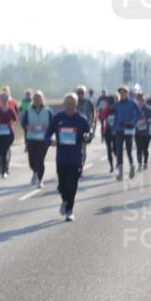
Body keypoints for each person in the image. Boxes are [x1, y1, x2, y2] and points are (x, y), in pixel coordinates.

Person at [46, 93, 92, 222]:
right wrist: (51, 141)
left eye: (72, 104)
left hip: (76, 158)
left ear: (76, 105)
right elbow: (47, 135)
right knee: (62, 186)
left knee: (72, 185)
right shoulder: (57, 118)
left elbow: (89, 133)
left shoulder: (81, 119)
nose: (70, 106)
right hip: (61, 158)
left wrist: (88, 137)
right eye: (67, 104)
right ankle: (65, 200)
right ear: (64, 105)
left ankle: (70, 210)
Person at [21, 90, 53, 188]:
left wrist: (48, 129)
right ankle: (35, 171)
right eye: (35, 99)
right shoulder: (28, 111)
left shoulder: (48, 111)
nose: (37, 100)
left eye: (39, 98)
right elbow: (23, 123)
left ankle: (40, 179)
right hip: (32, 138)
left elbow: (53, 124)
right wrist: (27, 127)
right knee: (32, 161)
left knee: (40, 159)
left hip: (44, 139)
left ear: (42, 99)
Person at [111, 86, 142, 180]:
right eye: (120, 93)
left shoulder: (132, 103)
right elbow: (115, 117)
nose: (122, 94)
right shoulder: (117, 104)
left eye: (124, 92)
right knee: (119, 151)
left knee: (128, 150)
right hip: (119, 129)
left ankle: (132, 166)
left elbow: (139, 115)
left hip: (129, 129)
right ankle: (120, 173)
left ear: (127, 93)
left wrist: (133, 122)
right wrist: (114, 128)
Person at [0, 91, 18, 177]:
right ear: (0, 100)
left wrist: (12, 122)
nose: (4, 100)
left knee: (4, 151)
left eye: (6, 99)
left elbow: (15, 120)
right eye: (3, 99)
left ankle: (4, 171)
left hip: (8, 134)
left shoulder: (10, 110)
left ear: (8, 100)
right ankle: (1, 164)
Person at [75, 85, 96, 178]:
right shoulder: (73, 102)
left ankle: (81, 167)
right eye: (78, 92)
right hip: (74, 129)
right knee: (75, 150)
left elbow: (93, 114)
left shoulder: (88, 103)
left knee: (83, 151)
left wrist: (91, 126)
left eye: (81, 93)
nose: (80, 94)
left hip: (85, 129)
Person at [135, 93, 151, 171]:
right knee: (139, 148)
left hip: (147, 133)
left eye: (142, 100)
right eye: (139, 100)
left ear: (145, 100)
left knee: (145, 149)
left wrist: (146, 120)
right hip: (137, 132)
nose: (141, 102)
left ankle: (145, 162)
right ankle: (139, 164)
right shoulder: (135, 109)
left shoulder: (149, 109)